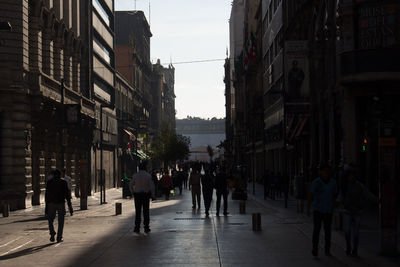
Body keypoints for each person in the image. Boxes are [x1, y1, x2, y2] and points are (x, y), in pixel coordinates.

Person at [340, 164, 377, 257]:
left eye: (352, 175)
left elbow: (368, 194)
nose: (351, 177)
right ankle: (348, 246)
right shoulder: (344, 186)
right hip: (347, 211)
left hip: (357, 211)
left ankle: (355, 250)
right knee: (347, 231)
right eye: (349, 175)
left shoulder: (360, 185)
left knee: (356, 233)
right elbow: (340, 197)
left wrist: (377, 200)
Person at [308, 165, 338, 257]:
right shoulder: (316, 182)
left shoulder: (333, 182)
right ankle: (315, 248)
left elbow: (335, 194)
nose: (325, 173)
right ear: (320, 172)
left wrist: (335, 203)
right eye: (324, 171)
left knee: (327, 230)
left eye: (327, 171)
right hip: (318, 209)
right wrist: (308, 208)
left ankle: (327, 249)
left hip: (328, 210)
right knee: (317, 229)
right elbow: (311, 194)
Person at [45, 169, 73, 243]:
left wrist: (46, 207)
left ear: (53, 175)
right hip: (61, 203)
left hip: (51, 203)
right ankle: (59, 237)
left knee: (50, 219)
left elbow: (47, 195)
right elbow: (67, 195)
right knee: (61, 221)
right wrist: (70, 206)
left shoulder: (49, 182)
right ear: (60, 175)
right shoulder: (63, 182)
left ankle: (52, 232)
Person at [130, 162, 154, 234]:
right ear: (145, 168)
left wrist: (132, 192)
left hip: (137, 195)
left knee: (138, 211)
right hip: (146, 195)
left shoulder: (135, 175)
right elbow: (152, 186)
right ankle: (146, 227)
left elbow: (130, 184)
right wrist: (153, 195)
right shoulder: (148, 176)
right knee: (146, 211)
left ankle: (137, 227)